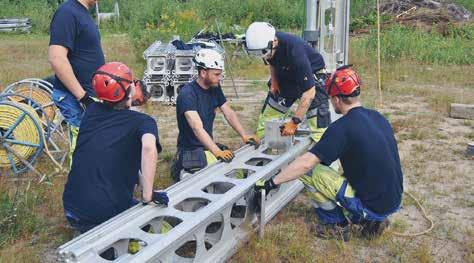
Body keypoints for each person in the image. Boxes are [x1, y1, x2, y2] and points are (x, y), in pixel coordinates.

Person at [256, 66, 403, 241]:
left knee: (309, 172)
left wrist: (272, 182)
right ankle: (372, 219)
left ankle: (336, 225)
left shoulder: (342, 127)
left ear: (336, 99)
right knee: (329, 172)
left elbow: (306, 163)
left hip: (373, 206)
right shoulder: (377, 117)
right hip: (393, 200)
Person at [63, 62, 168, 235]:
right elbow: (149, 148)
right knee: (151, 222)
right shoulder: (142, 122)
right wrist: (148, 194)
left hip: (72, 207)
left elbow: (116, 156)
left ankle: (85, 228)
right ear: (129, 91)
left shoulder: (91, 112)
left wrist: (143, 184)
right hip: (104, 213)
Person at [171, 49, 260, 181]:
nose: (220, 78)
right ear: (203, 72)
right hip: (190, 149)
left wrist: (244, 135)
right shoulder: (187, 94)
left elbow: (228, 113)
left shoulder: (214, 88)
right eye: (216, 74)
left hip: (207, 146)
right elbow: (197, 127)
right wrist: (216, 151)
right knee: (211, 180)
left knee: (234, 173)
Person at [48, 0, 107, 165]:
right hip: (76, 97)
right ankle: (82, 190)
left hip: (88, 94)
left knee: (95, 144)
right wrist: (82, 96)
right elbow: (57, 59)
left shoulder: (82, 13)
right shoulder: (67, 13)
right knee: (84, 148)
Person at [245, 22, 330, 142]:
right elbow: (272, 60)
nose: (265, 57)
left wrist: (295, 121)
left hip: (312, 75)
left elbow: (309, 92)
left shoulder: (295, 52)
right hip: (286, 73)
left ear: (274, 42)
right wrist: (274, 81)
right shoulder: (267, 44)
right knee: (268, 118)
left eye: (265, 53)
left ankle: (317, 157)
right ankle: (262, 148)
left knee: (318, 129)